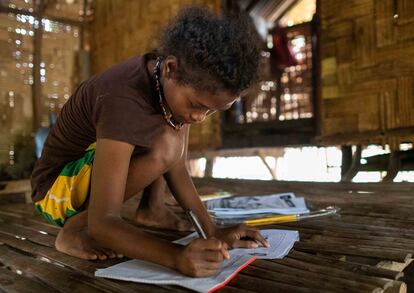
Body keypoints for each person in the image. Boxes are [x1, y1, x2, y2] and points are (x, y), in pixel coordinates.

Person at [30, 7, 268, 277]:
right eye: (197, 105)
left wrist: (212, 231)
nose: (201, 117)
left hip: (85, 178)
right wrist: (177, 257)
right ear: (170, 68)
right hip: (54, 191)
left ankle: (152, 209)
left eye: (212, 111)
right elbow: (104, 223)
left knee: (169, 135)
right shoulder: (122, 98)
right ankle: (73, 230)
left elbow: (177, 168)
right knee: (165, 143)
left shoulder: (172, 79)